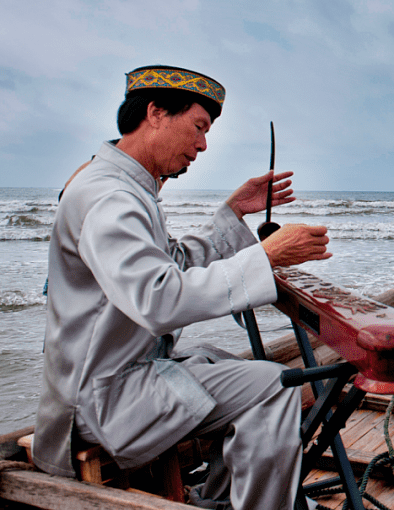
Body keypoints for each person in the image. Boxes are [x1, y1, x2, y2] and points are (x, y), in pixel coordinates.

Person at [34, 65, 333, 510]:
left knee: (221, 359)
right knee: (276, 385)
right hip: (102, 400)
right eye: (198, 127)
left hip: (113, 379)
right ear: (155, 113)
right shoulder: (110, 198)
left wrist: (231, 214)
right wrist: (265, 257)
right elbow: (159, 299)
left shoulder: (126, 188)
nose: (203, 144)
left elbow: (170, 264)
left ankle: (224, 499)